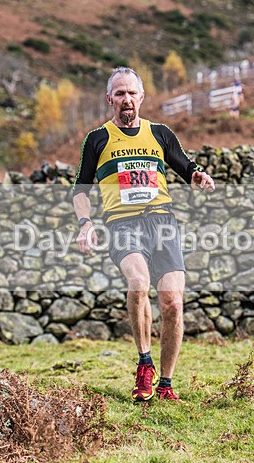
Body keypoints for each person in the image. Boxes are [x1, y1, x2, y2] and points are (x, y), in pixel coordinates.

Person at [72, 67, 215, 402]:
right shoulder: (97, 139)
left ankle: (165, 384)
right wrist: (85, 223)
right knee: (138, 282)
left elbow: (186, 166)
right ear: (110, 99)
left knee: (173, 304)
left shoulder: (160, 134)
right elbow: (80, 189)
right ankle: (145, 363)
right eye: (119, 94)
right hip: (123, 224)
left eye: (132, 93)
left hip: (162, 223)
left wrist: (198, 177)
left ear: (142, 97)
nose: (126, 99)